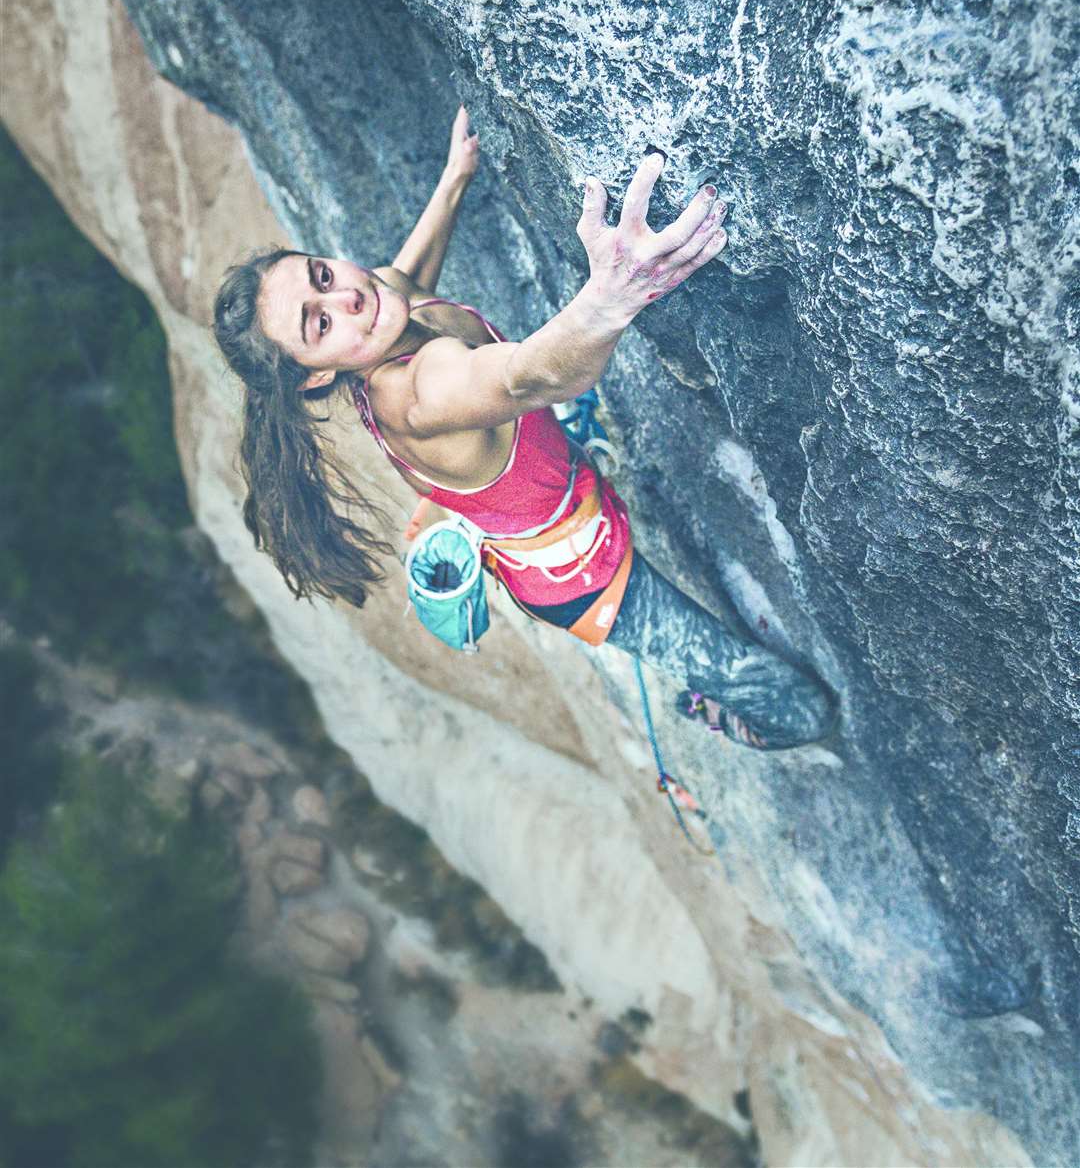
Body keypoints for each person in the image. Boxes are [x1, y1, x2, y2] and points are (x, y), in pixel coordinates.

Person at [214, 106, 837, 750]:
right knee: (799, 710)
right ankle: (725, 716)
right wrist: (616, 293)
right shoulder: (420, 394)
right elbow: (530, 379)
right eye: (318, 325)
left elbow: (405, 277)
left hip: (560, 501)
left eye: (321, 273)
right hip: (584, 579)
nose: (346, 299)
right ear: (315, 378)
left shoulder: (377, 307)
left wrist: (456, 176)